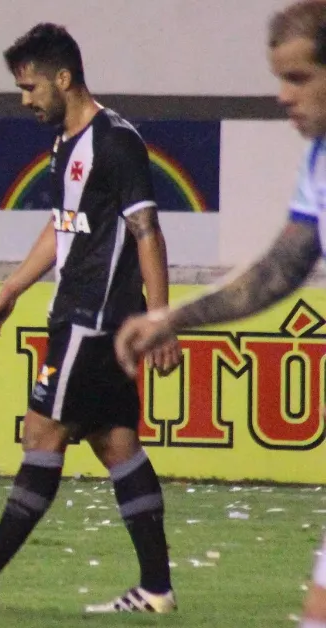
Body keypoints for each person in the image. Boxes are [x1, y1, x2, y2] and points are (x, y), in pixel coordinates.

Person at [0, 23, 182, 613]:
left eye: (30, 87)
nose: (24, 100)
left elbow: (147, 232)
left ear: (64, 79)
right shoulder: (64, 143)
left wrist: (160, 318)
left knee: (42, 435)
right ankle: (157, 587)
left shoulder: (115, 142)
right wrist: (9, 291)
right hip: (81, 318)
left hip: (96, 320)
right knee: (116, 445)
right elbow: (61, 228)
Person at [114, 3, 326, 625]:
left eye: (299, 78)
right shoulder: (318, 163)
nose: (283, 96)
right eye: (279, 78)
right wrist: (172, 319)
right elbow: (282, 267)